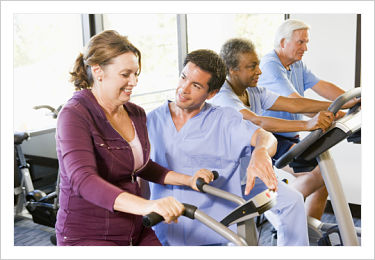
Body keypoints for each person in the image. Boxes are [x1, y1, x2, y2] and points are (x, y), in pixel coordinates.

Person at [55, 30, 214, 246]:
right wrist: (148, 205)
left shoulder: (135, 113)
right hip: (89, 234)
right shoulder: (75, 114)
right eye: (125, 74)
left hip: (134, 228)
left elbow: (141, 166)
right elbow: (83, 180)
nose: (134, 81)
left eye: (136, 73)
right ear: (98, 71)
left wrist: (188, 180)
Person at [147, 49, 309, 246]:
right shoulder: (151, 120)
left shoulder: (223, 119)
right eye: (183, 78)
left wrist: (261, 152)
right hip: (163, 226)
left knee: (292, 200)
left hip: (212, 229)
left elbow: (265, 137)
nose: (183, 89)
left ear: (212, 93)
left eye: (196, 85)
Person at [258, 19, 360, 220]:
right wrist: (339, 113)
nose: (305, 48)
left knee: (323, 182)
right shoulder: (270, 64)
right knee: (320, 176)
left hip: (291, 136)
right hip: (270, 138)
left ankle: (305, 233)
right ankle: (271, 208)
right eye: (300, 42)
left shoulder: (296, 65)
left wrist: (354, 100)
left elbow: (323, 86)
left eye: (306, 42)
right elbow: (297, 103)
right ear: (283, 42)